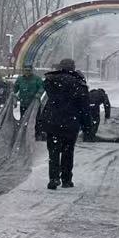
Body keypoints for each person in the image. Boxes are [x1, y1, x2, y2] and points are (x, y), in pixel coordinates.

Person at [38, 58, 89, 190]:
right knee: (68, 151)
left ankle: (53, 178)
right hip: (70, 122)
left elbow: (45, 100)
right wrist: (86, 125)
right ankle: (66, 179)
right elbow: (84, 106)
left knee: (53, 152)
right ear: (73, 67)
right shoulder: (78, 83)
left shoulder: (51, 81)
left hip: (52, 121)